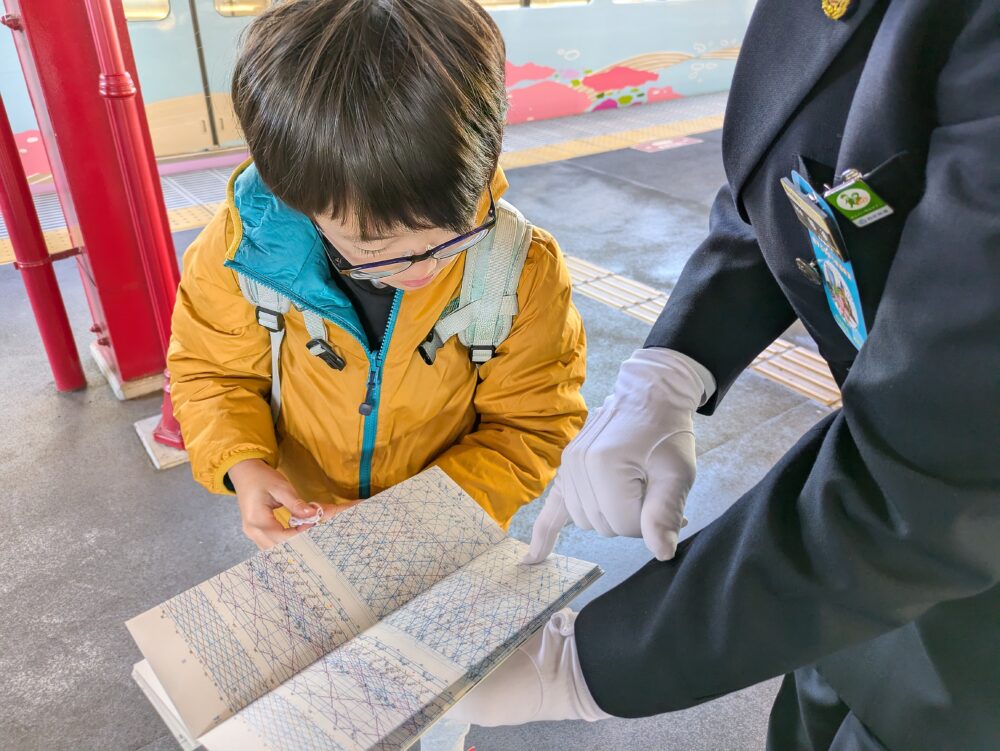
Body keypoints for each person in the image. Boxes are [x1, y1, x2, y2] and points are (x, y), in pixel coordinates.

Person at [449, 1, 1000, 748]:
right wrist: (674, 362)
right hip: (844, 570)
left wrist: (584, 664)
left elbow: (935, 471)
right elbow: (804, 175)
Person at [167, 0, 586, 551]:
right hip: (308, 522)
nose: (426, 267)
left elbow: (535, 423)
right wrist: (243, 465)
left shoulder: (520, 268)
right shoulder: (239, 255)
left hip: (449, 528)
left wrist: (419, 519)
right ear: (298, 201)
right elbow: (212, 375)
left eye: (451, 233)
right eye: (377, 249)